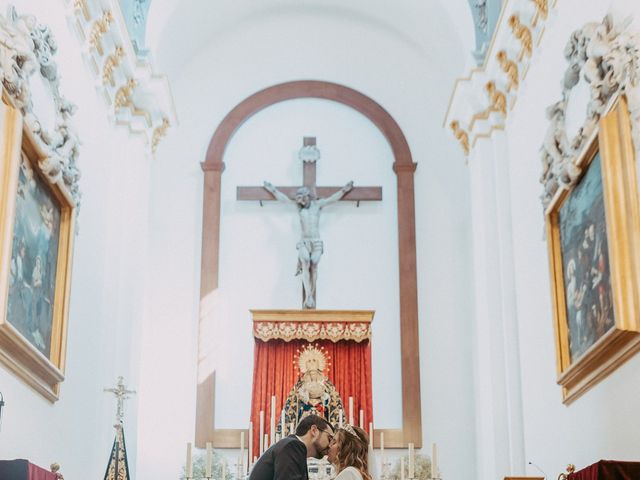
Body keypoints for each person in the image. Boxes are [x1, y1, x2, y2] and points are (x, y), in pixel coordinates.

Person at [263, 180, 353, 308]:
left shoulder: (318, 205)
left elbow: (332, 199)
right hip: (304, 241)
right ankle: (309, 296)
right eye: (298, 199)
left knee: (314, 264)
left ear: (307, 196)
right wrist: (272, 189)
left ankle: (311, 293)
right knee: (305, 261)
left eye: (301, 198)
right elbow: (284, 199)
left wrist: (345, 190)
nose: (299, 202)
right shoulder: (299, 208)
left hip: (316, 242)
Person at [249, 414, 335, 480]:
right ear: (314, 430)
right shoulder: (292, 446)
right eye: (329, 438)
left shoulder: (292, 446)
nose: (330, 445)